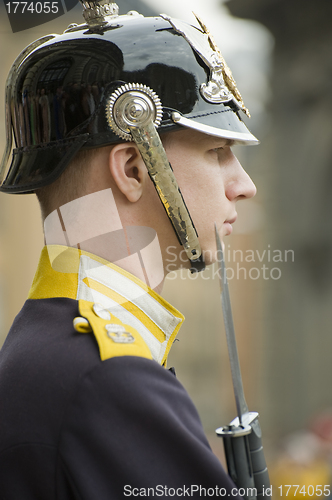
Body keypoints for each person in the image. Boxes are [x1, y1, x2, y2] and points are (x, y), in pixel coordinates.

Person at [0, 1, 258, 497]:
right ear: (135, 170)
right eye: (217, 153)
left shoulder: (54, 348)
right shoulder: (109, 377)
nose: (243, 185)